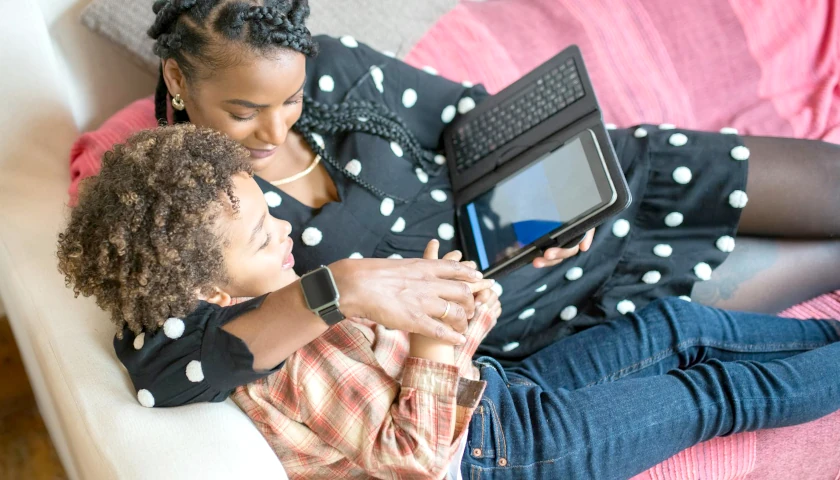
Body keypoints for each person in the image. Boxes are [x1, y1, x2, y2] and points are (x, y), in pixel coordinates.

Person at [67, 0, 840, 399]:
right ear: (178, 81)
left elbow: (463, 114)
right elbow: (161, 369)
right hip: (532, 308)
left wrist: (543, 196)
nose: (274, 130)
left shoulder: (330, 67)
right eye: (243, 113)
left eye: (291, 100)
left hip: (556, 215)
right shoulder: (172, 192)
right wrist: (339, 289)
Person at [58, 125, 840, 479]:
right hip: (502, 456)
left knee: (668, 324)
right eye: (263, 237)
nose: (284, 234)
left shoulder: (280, 301)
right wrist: (436, 343)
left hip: (497, 396)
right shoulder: (287, 370)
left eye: (269, 212)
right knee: (706, 392)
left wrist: (459, 319)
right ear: (213, 291)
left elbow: (431, 368)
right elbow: (417, 460)